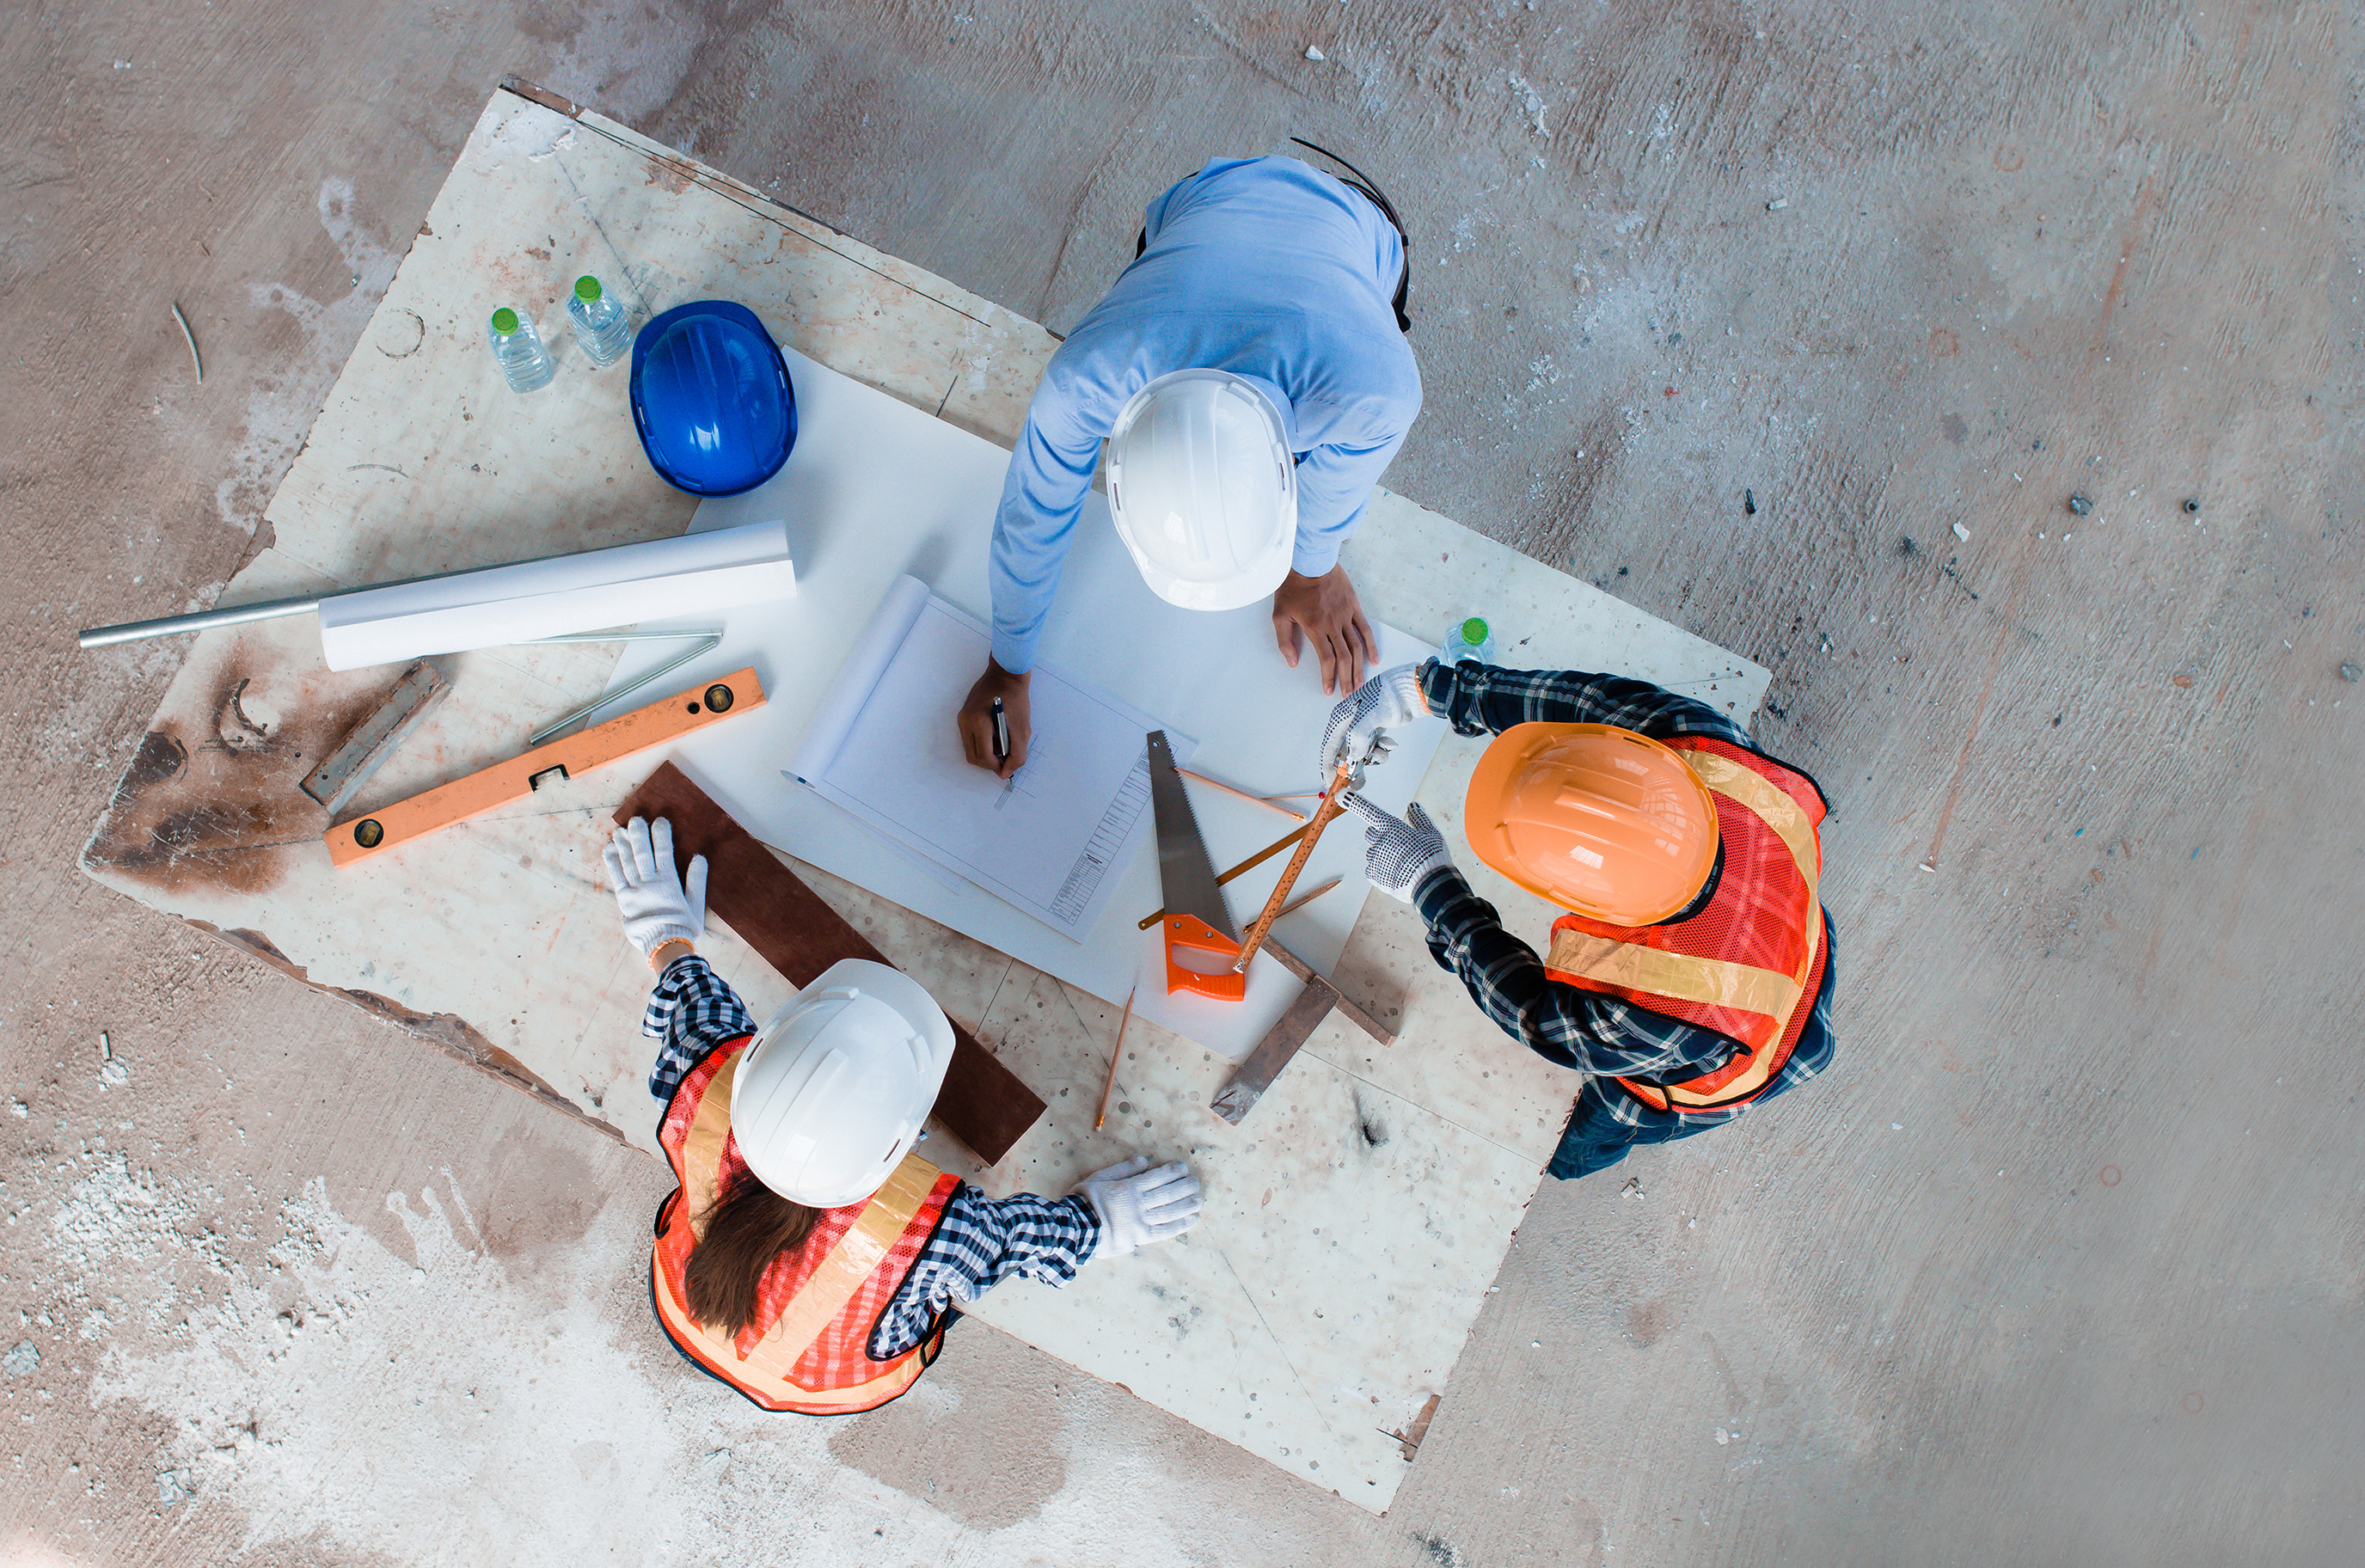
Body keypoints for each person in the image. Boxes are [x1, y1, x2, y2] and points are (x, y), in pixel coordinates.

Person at [604, 816, 1204, 1412]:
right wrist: (1098, 1224)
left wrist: (666, 936)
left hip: (684, 1309)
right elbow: (1011, 1244)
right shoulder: (927, 1233)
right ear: (905, 1144)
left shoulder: (702, 1088)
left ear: (760, 1055)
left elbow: (692, 1009)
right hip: (823, 1387)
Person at [959, 148, 1424, 777]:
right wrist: (1006, 664)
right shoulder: (1088, 377)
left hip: (1355, 226)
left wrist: (1311, 569)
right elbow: (1032, 512)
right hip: (1203, 201)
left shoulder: (1372, 388)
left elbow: (1334, 487)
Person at [1319, 659, 1835, 1179]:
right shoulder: (1698, 747)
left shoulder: (1652, 1010)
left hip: (1739, 1061)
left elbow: (1532, 1011)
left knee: (1585, 1135)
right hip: (1793, 931)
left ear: (1591, 906)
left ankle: (1568, 1162)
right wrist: (1420, 692)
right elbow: (1584, 704)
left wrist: (1432, 889)